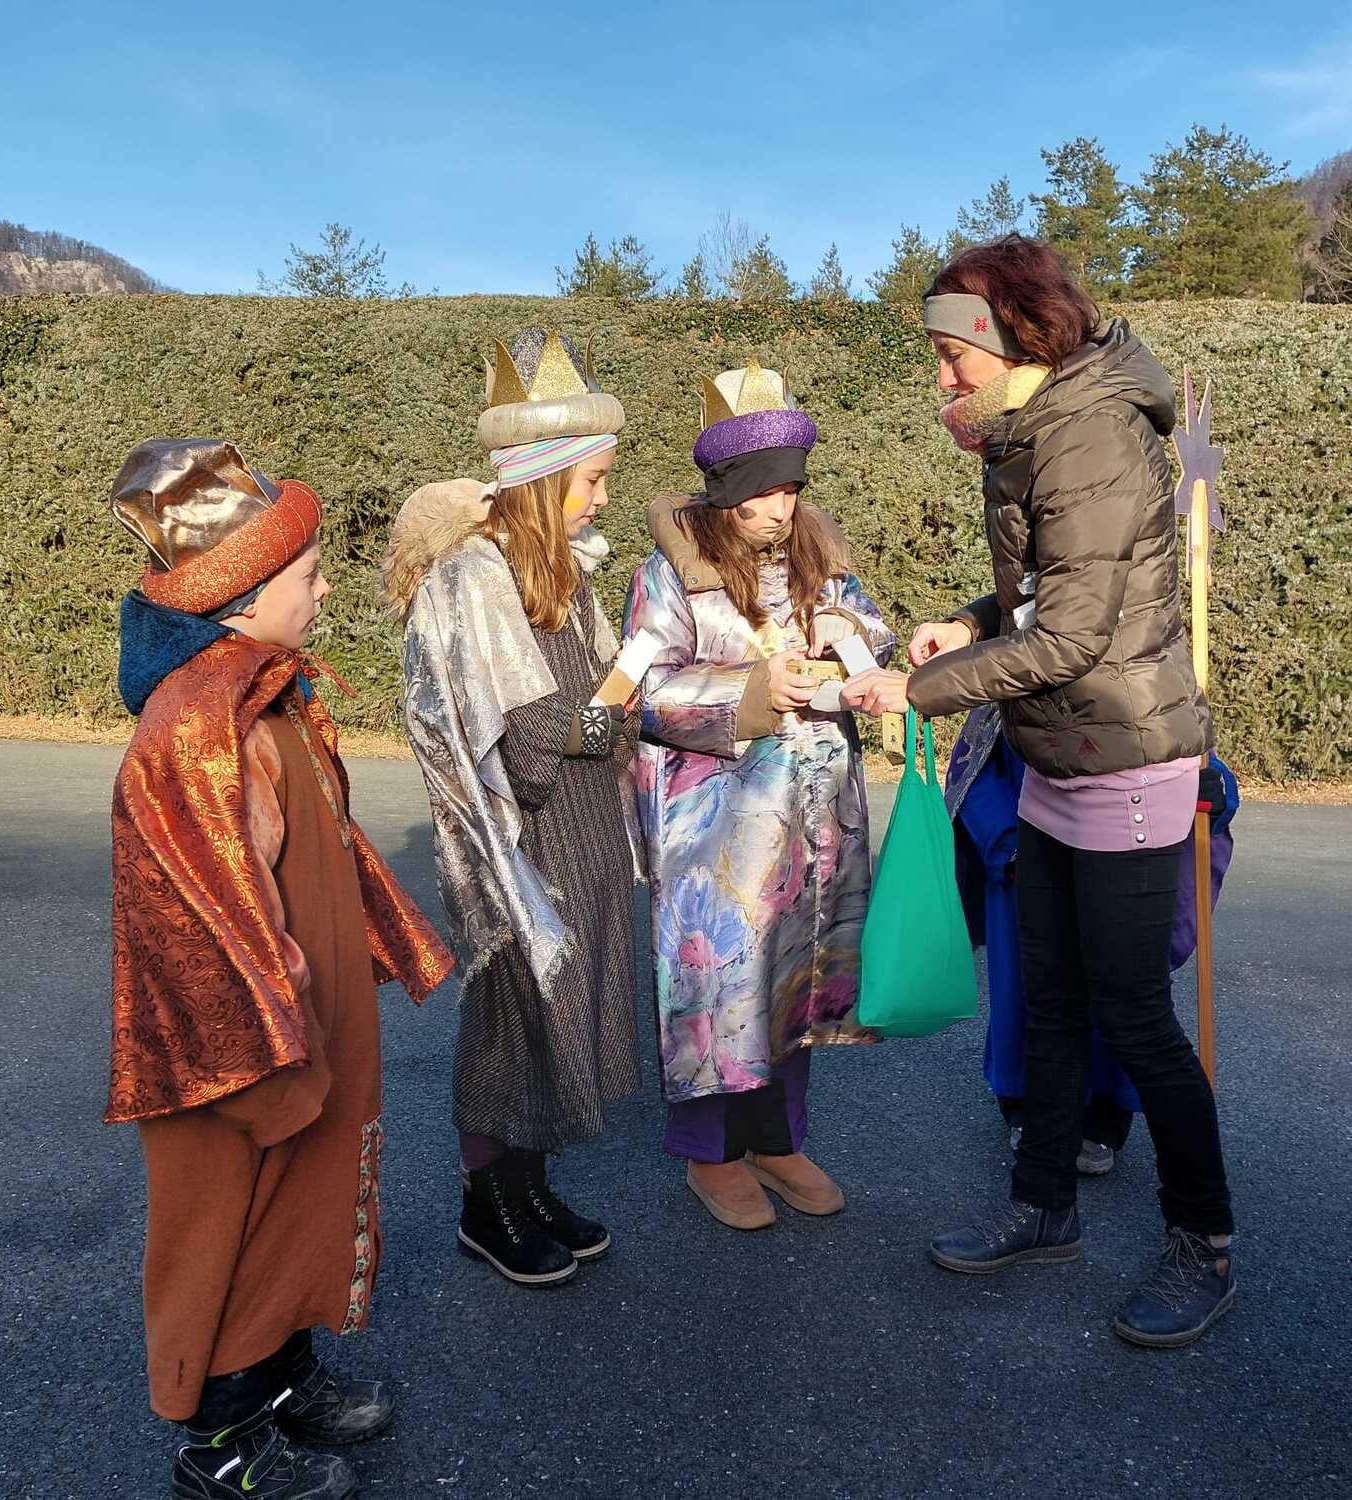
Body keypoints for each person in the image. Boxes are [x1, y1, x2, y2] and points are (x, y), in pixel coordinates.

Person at [870, 234, 1236, 1347]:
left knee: (1136, 1018)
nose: (941, 377)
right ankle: (1044, 1206)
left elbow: (1075, 633)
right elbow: (1043, 593)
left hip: (1124, 757)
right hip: (1055, 756)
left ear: (1015, 338)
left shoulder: (1090, 433)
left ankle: (1203, 1241)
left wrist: (915, 687)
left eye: (952, 355)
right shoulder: (1033, 426)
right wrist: (967, 622)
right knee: (1051, 999)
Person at [106, 438, 452, 1499]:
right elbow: (201, 918)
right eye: (310, 574)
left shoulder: (261, 689)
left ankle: (282, 1374)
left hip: (303, 1020)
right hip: (247, 1045)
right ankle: (220, 1444)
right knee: (229, 1227)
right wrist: (273, 1047)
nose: (325, 588)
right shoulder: (199, 724)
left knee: (298, 1208)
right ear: (246, 597)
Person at [383, 329, 642, 1287]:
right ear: (543, 478)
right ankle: (484, 1204)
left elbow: (596, 706)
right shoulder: (474, 576)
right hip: (521, 839)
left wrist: (604, 718)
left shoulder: (560, 568)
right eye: (593, 480)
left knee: (558, 1012)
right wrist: (609, 717)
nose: (604, 498)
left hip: (582, 825)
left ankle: (529, 1187)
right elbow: (529, 737)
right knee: (513, 1017)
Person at [623, 361, 896, 1231]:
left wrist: (846, 643)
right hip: (719, 829)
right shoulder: (669, 573)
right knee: (718, 984)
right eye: (763, 492)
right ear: (725, 488)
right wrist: (750, 691)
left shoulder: (819, 553)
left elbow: (874, 628)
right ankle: (711, 1156)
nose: (781, 508)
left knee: (793, 975)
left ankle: (778, 1141)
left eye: (792, 489)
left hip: (814, 815)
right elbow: (641, 690)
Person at [946, 703, 1240, 1175]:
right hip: (1028, 845)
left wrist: (1216, 788)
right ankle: (1027, 1106)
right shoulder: (1009, 680)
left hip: (1122, 841)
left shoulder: (1142, 677)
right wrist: (1005, 843)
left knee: (1119, 988)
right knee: (1031, 987)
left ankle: (1106, 1112)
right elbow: (976, 767)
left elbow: (1184, 746)